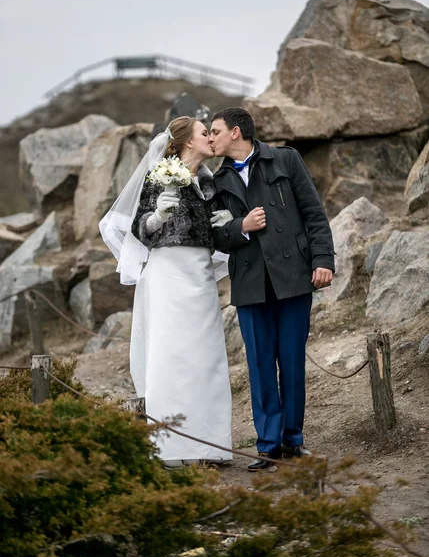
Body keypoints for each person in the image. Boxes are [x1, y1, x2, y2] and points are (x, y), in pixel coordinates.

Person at [100, 117, 233, 469]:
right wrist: (158, 216)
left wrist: (225, 224)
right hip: (167, 274)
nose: (210, 137)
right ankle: (169, 445)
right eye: (205, 133)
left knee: (206, 357)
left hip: (200, 276)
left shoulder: (208, 182)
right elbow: (140, 229)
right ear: (188, 142)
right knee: (170, 354)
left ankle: (211, 445)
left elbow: (215, 229)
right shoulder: (158, 175)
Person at [209, 107, 335, 471]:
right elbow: (216, 236)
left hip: (293, 277)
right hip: (250, 284)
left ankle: (293, 441)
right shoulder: (217, 182)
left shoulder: (285, 159)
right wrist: (241, 226)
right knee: (260, 365)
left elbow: (314, 213)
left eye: (215, 131)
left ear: (236, 132)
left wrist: (322, 260)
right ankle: (268, 446)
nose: (211, 137)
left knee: (292, 363)